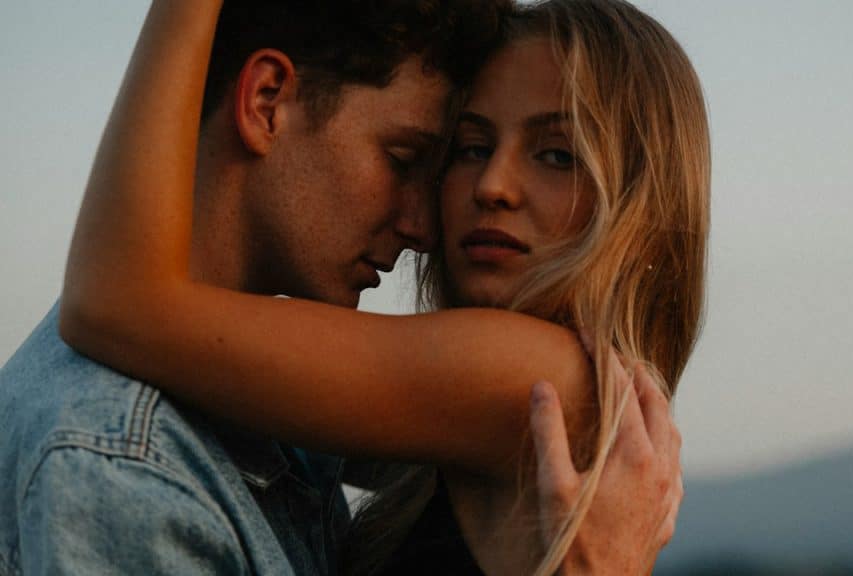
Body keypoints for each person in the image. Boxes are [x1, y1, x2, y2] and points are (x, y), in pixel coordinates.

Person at [0, 0, 689, 574]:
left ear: (635, 197)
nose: (489, 188)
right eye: (459, 151)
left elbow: (116, 302)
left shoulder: (540, 380)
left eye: (558, 156)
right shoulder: (126, 449)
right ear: (266, 102)